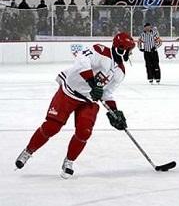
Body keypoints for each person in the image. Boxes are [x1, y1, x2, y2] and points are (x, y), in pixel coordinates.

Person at [15, 33, 135, 178]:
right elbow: (81, 61)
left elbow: (107, 93)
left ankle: (69, 161)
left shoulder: (120, 72)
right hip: (69, 92)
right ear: (121, 49)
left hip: (88, 101)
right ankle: (28, 151)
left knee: (84, 132)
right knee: (52, 127)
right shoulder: (100, 50)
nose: (130, 53)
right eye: (129, 49)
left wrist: (114, 111)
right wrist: (91, 82)